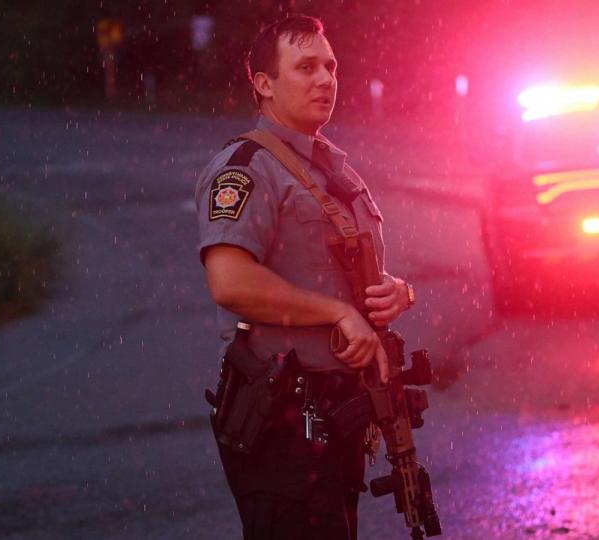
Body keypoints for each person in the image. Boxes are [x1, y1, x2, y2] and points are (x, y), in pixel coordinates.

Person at [194, 15, 415, 540]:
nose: (325, 79)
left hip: (335, 415)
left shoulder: (331, 168)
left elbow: (344, 273)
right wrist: (338, 314)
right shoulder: (246, 167)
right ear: (263, 84)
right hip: (283, 420)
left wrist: (397, 292)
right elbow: (229, 281)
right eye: (306, 67)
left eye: (331, 66)